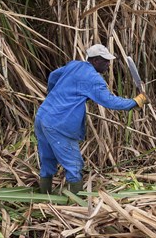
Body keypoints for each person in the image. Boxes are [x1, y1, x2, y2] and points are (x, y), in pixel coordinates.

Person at [34, 44, 148, 195]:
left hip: (42, 116)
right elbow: (110, 102)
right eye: (105, 61)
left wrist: (53, 92)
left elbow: (53, 75)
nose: (108, 64)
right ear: (94, 60)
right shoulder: (93, 79)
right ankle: (75, 206)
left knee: (47, 160)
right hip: (58, 123)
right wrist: (136, 101)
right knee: (73, 165)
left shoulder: (74, 65)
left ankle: (44, 196)